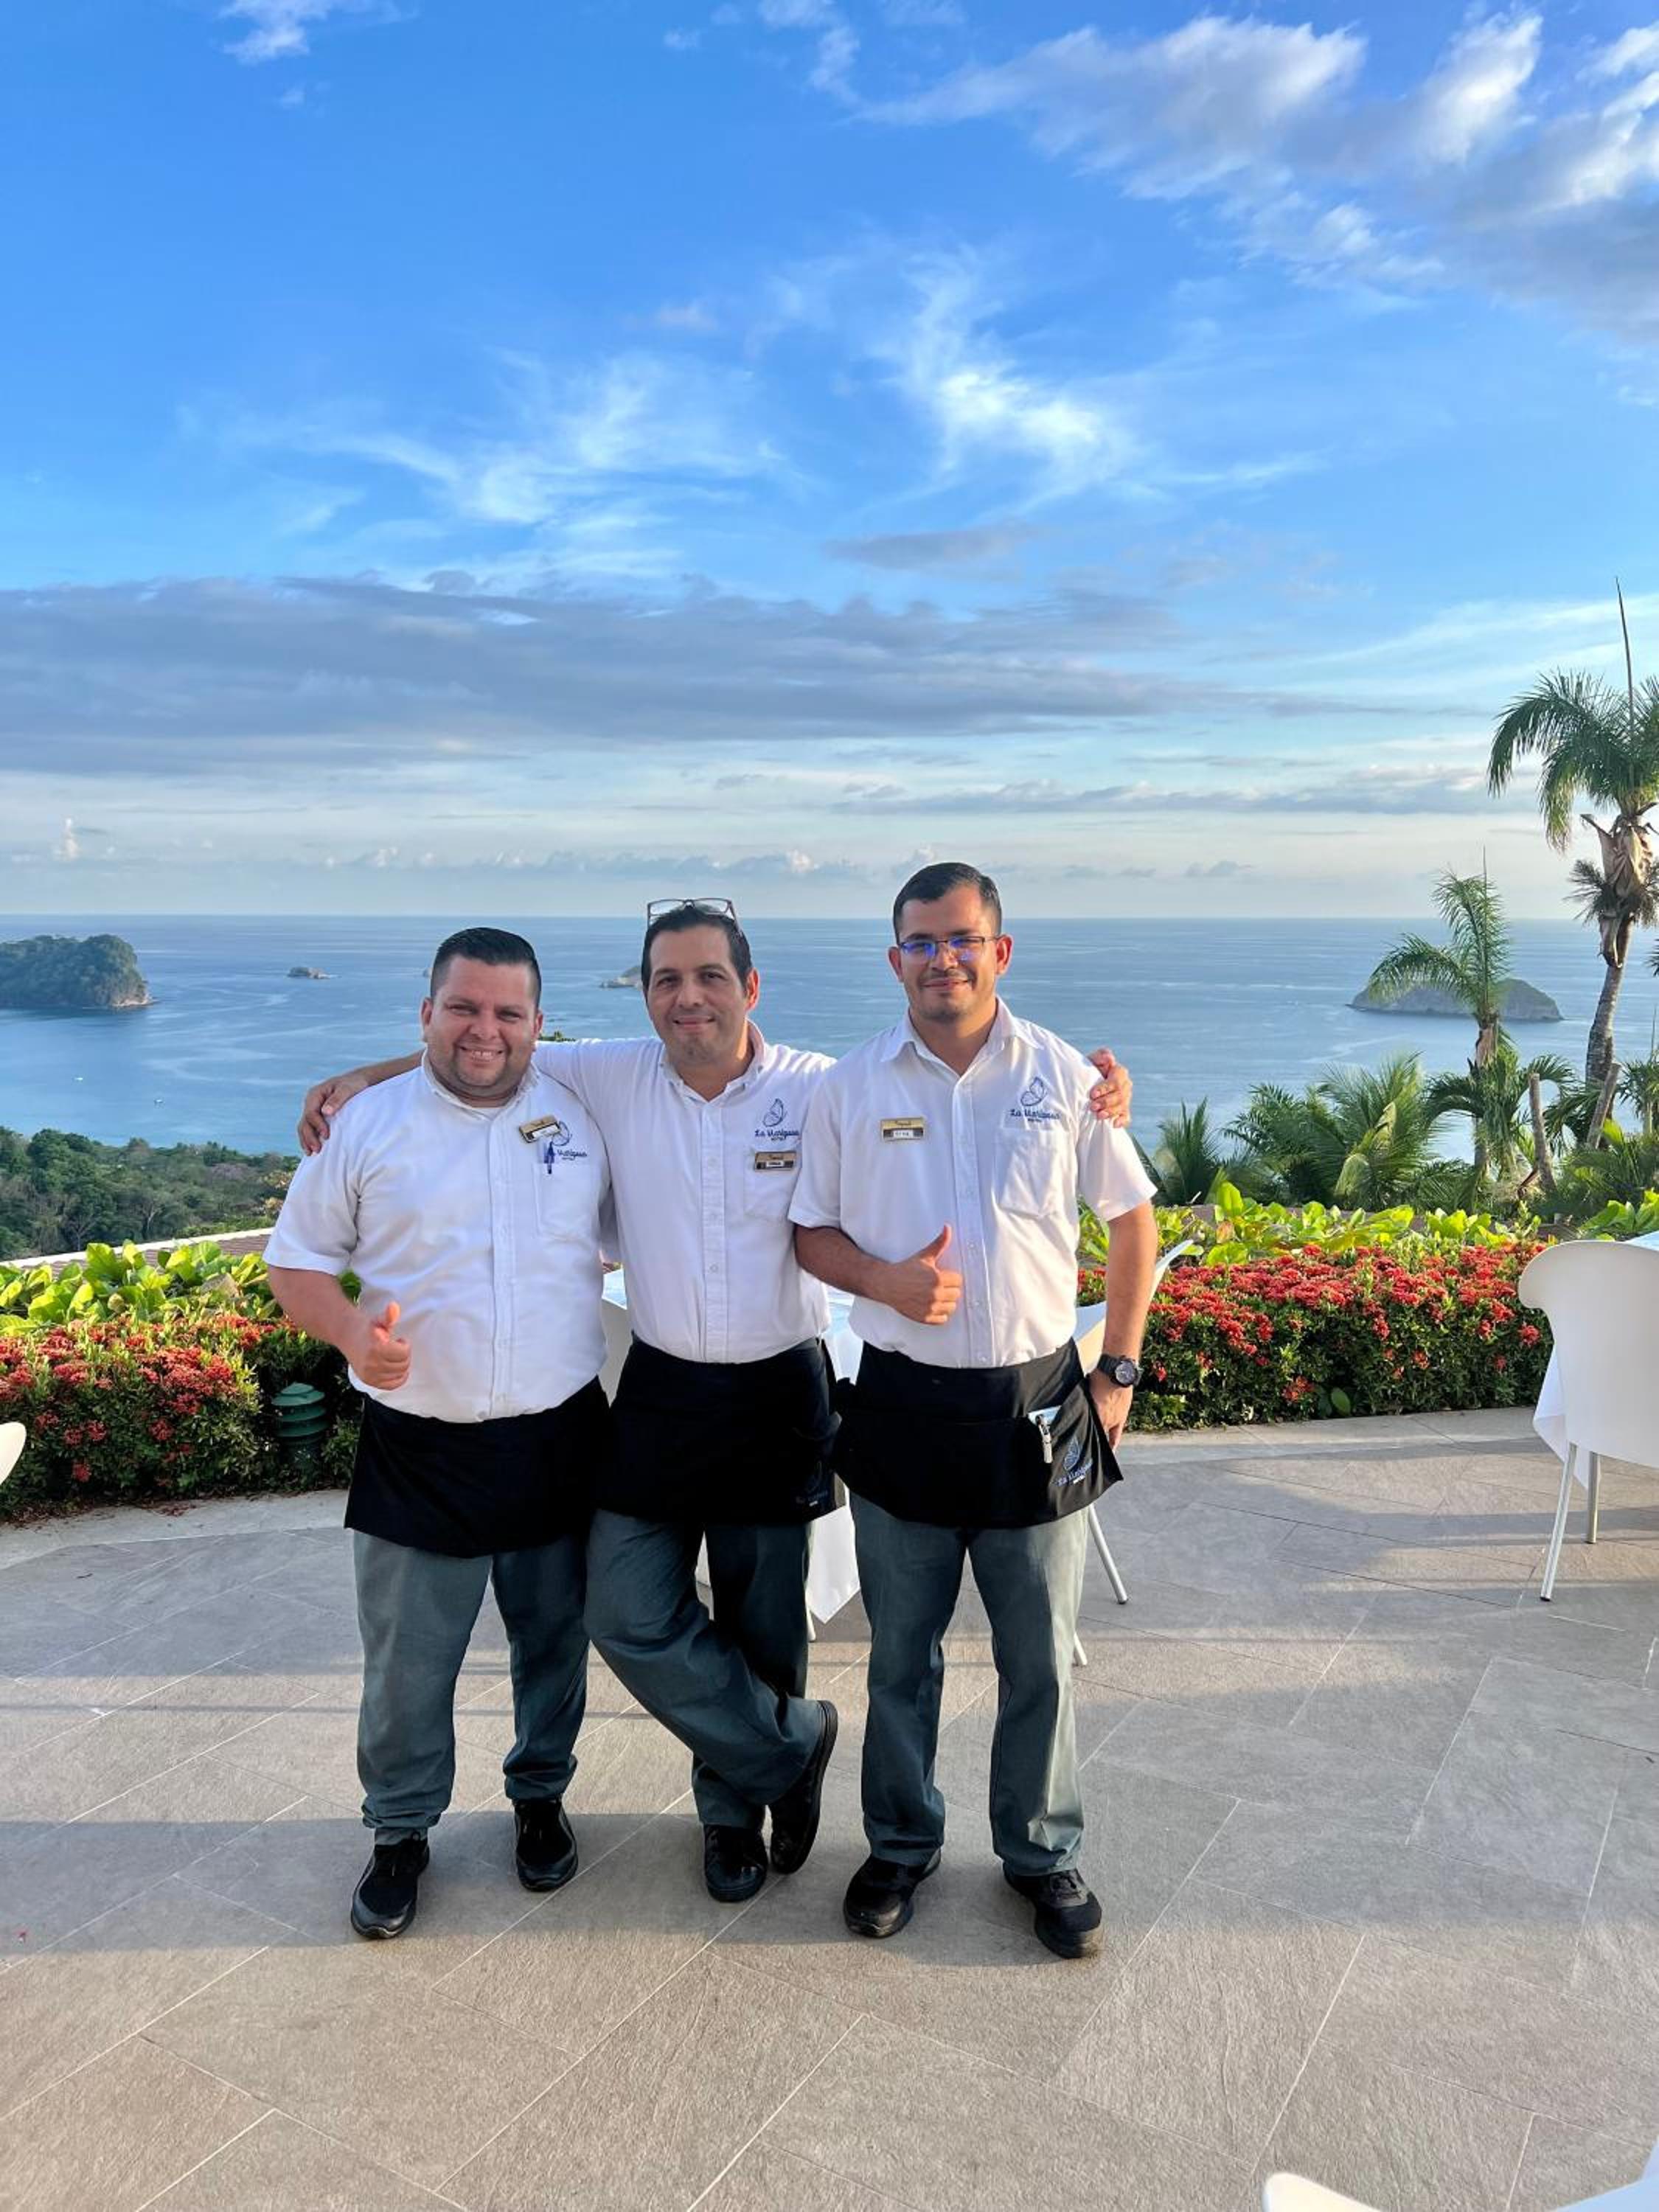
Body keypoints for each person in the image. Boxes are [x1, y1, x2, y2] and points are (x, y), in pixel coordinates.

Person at [296, 905, 1135, 1907]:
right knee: (618, 1607)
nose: (687, 997)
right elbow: (493, 1046)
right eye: (666, 979)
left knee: (765, 1622)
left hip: (781, 1388)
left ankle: (733, 1815)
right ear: (646, 995)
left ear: (751, 987)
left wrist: (1097, 1091)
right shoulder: (611, 1076)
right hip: (663, 1389)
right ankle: (788, 1747)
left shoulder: (824, 1086)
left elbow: (935, 1093)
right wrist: (364, 1078)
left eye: (708, 977)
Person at [790, 863, 1159, 1961]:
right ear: (893, 958)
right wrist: (882, 1281)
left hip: (1038, 1402)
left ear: (999, 951)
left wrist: (1117, 1374)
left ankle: (1041, 1854)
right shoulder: (849, 1087)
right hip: (900, 1403)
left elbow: (1132, 1226)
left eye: (961, 939)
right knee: (899, 1657)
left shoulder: (1066, 1078)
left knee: (1039, 1656)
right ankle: (900, 1845)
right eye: (921, 941)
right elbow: (809, 1233)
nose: (941, 958)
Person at [265, 928, 614, 1940]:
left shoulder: (584, 1109)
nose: (484, 1030)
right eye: (462, 1007)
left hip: (559, 1436)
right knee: (408, 1665)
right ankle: (400, 1830)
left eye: (507, 1012)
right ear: (426, 1013)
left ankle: (539, 1798)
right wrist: (350, 1338)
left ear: (539, 1024)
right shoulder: (367, 1126)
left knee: (553, 1645)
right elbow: (296, 1263)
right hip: (419, 1445)